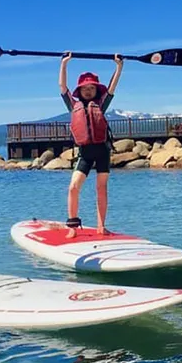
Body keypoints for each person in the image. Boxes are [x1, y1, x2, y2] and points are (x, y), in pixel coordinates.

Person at [59, 52, 124, 238]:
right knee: (73, 187)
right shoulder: (74, 105)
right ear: (80, 91)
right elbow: (63, 87)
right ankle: (72, 227)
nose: (88, 91)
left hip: (102, 151)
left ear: (96, 90)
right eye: (85, 88)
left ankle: (101, 226)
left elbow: (112, 87)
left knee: (101, 188)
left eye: (91, 88)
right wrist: (64, 64)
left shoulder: (101, 104)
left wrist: (119, 67)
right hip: (85, 153)